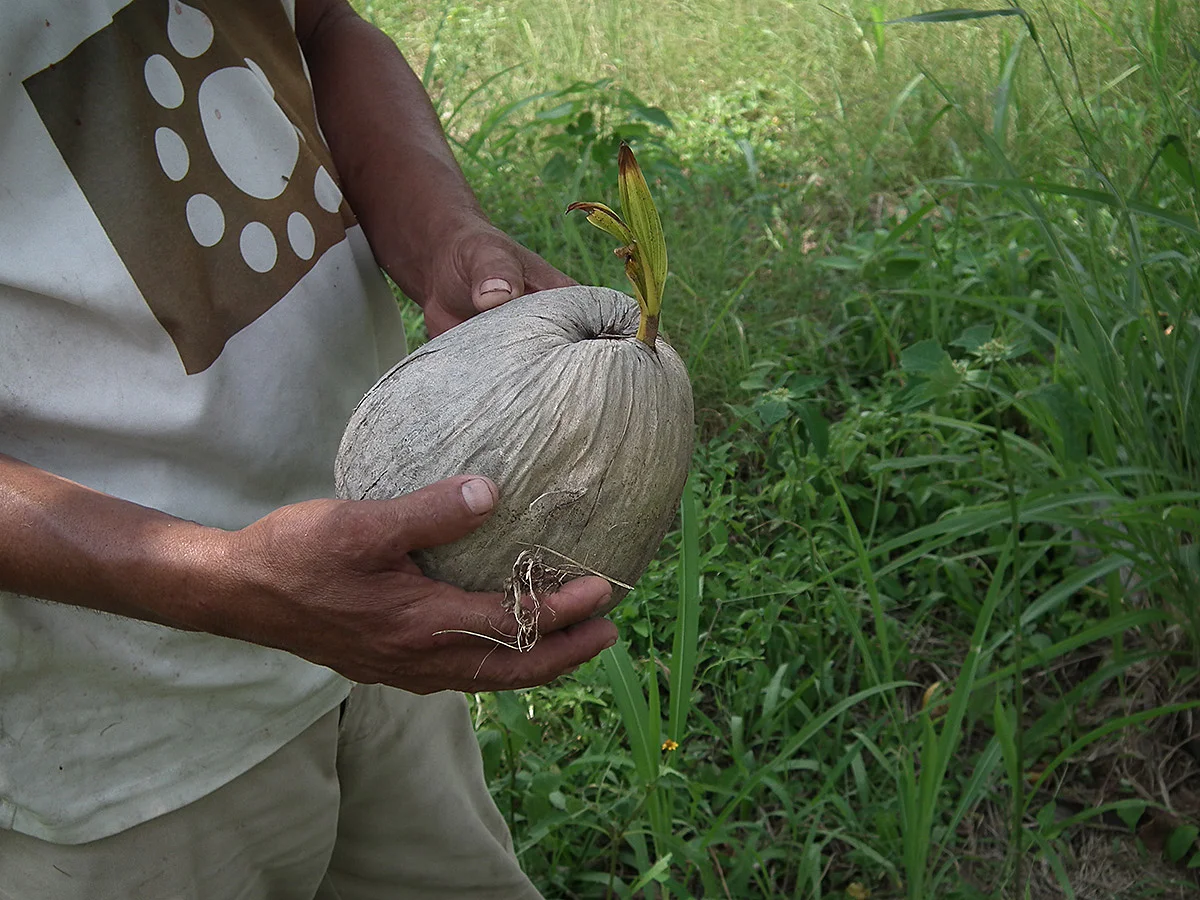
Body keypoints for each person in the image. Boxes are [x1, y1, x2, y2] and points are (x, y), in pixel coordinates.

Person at [0, 0, 618, 896]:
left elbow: (319, 27)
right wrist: (230, 579)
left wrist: (441, 230)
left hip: (383, 613)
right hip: (116, 753)